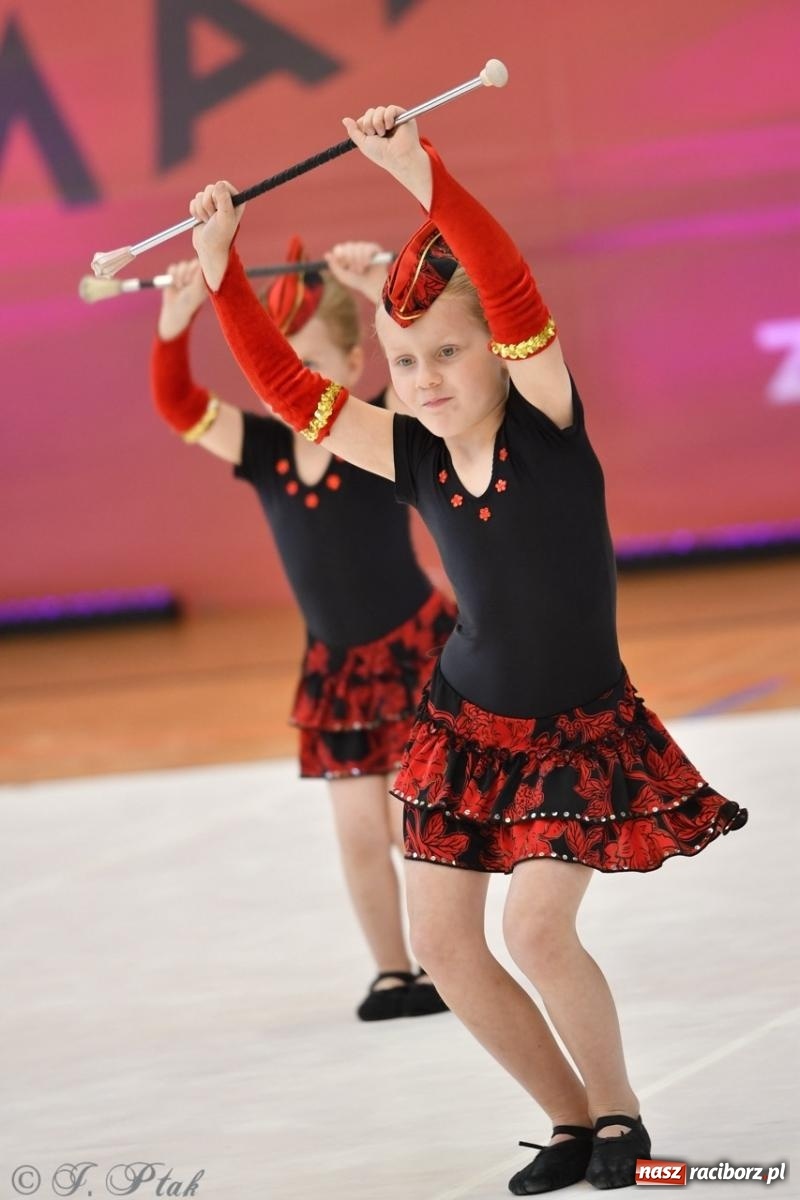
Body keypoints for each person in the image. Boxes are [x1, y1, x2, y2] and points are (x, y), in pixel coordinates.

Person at [185, 105, 748, 1192]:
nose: (426, 376)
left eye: (448, 350)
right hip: (462, 728)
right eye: (404, 361)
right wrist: (222, 279)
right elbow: (290, 394)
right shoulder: (406, 451)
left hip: (578, 729)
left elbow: (512, 286)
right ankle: (568, 1123)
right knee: (442, 947)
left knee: (537, 929)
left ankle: (621, 1119)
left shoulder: (548, 423)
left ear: (499, 347)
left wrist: (423, 175)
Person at [149, 236, 456, 1023]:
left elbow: (430, 364)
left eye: (315, 362)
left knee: (403, 822)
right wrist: (175, 319)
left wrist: (382, 291)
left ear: (354, 368)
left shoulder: (380, 429)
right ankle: (394, 974)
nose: (295, 381)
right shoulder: (263, 448)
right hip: (338, 671)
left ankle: (450, 961)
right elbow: (180, 404)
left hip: (416, 651)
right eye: (280, 363)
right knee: (357, 831)